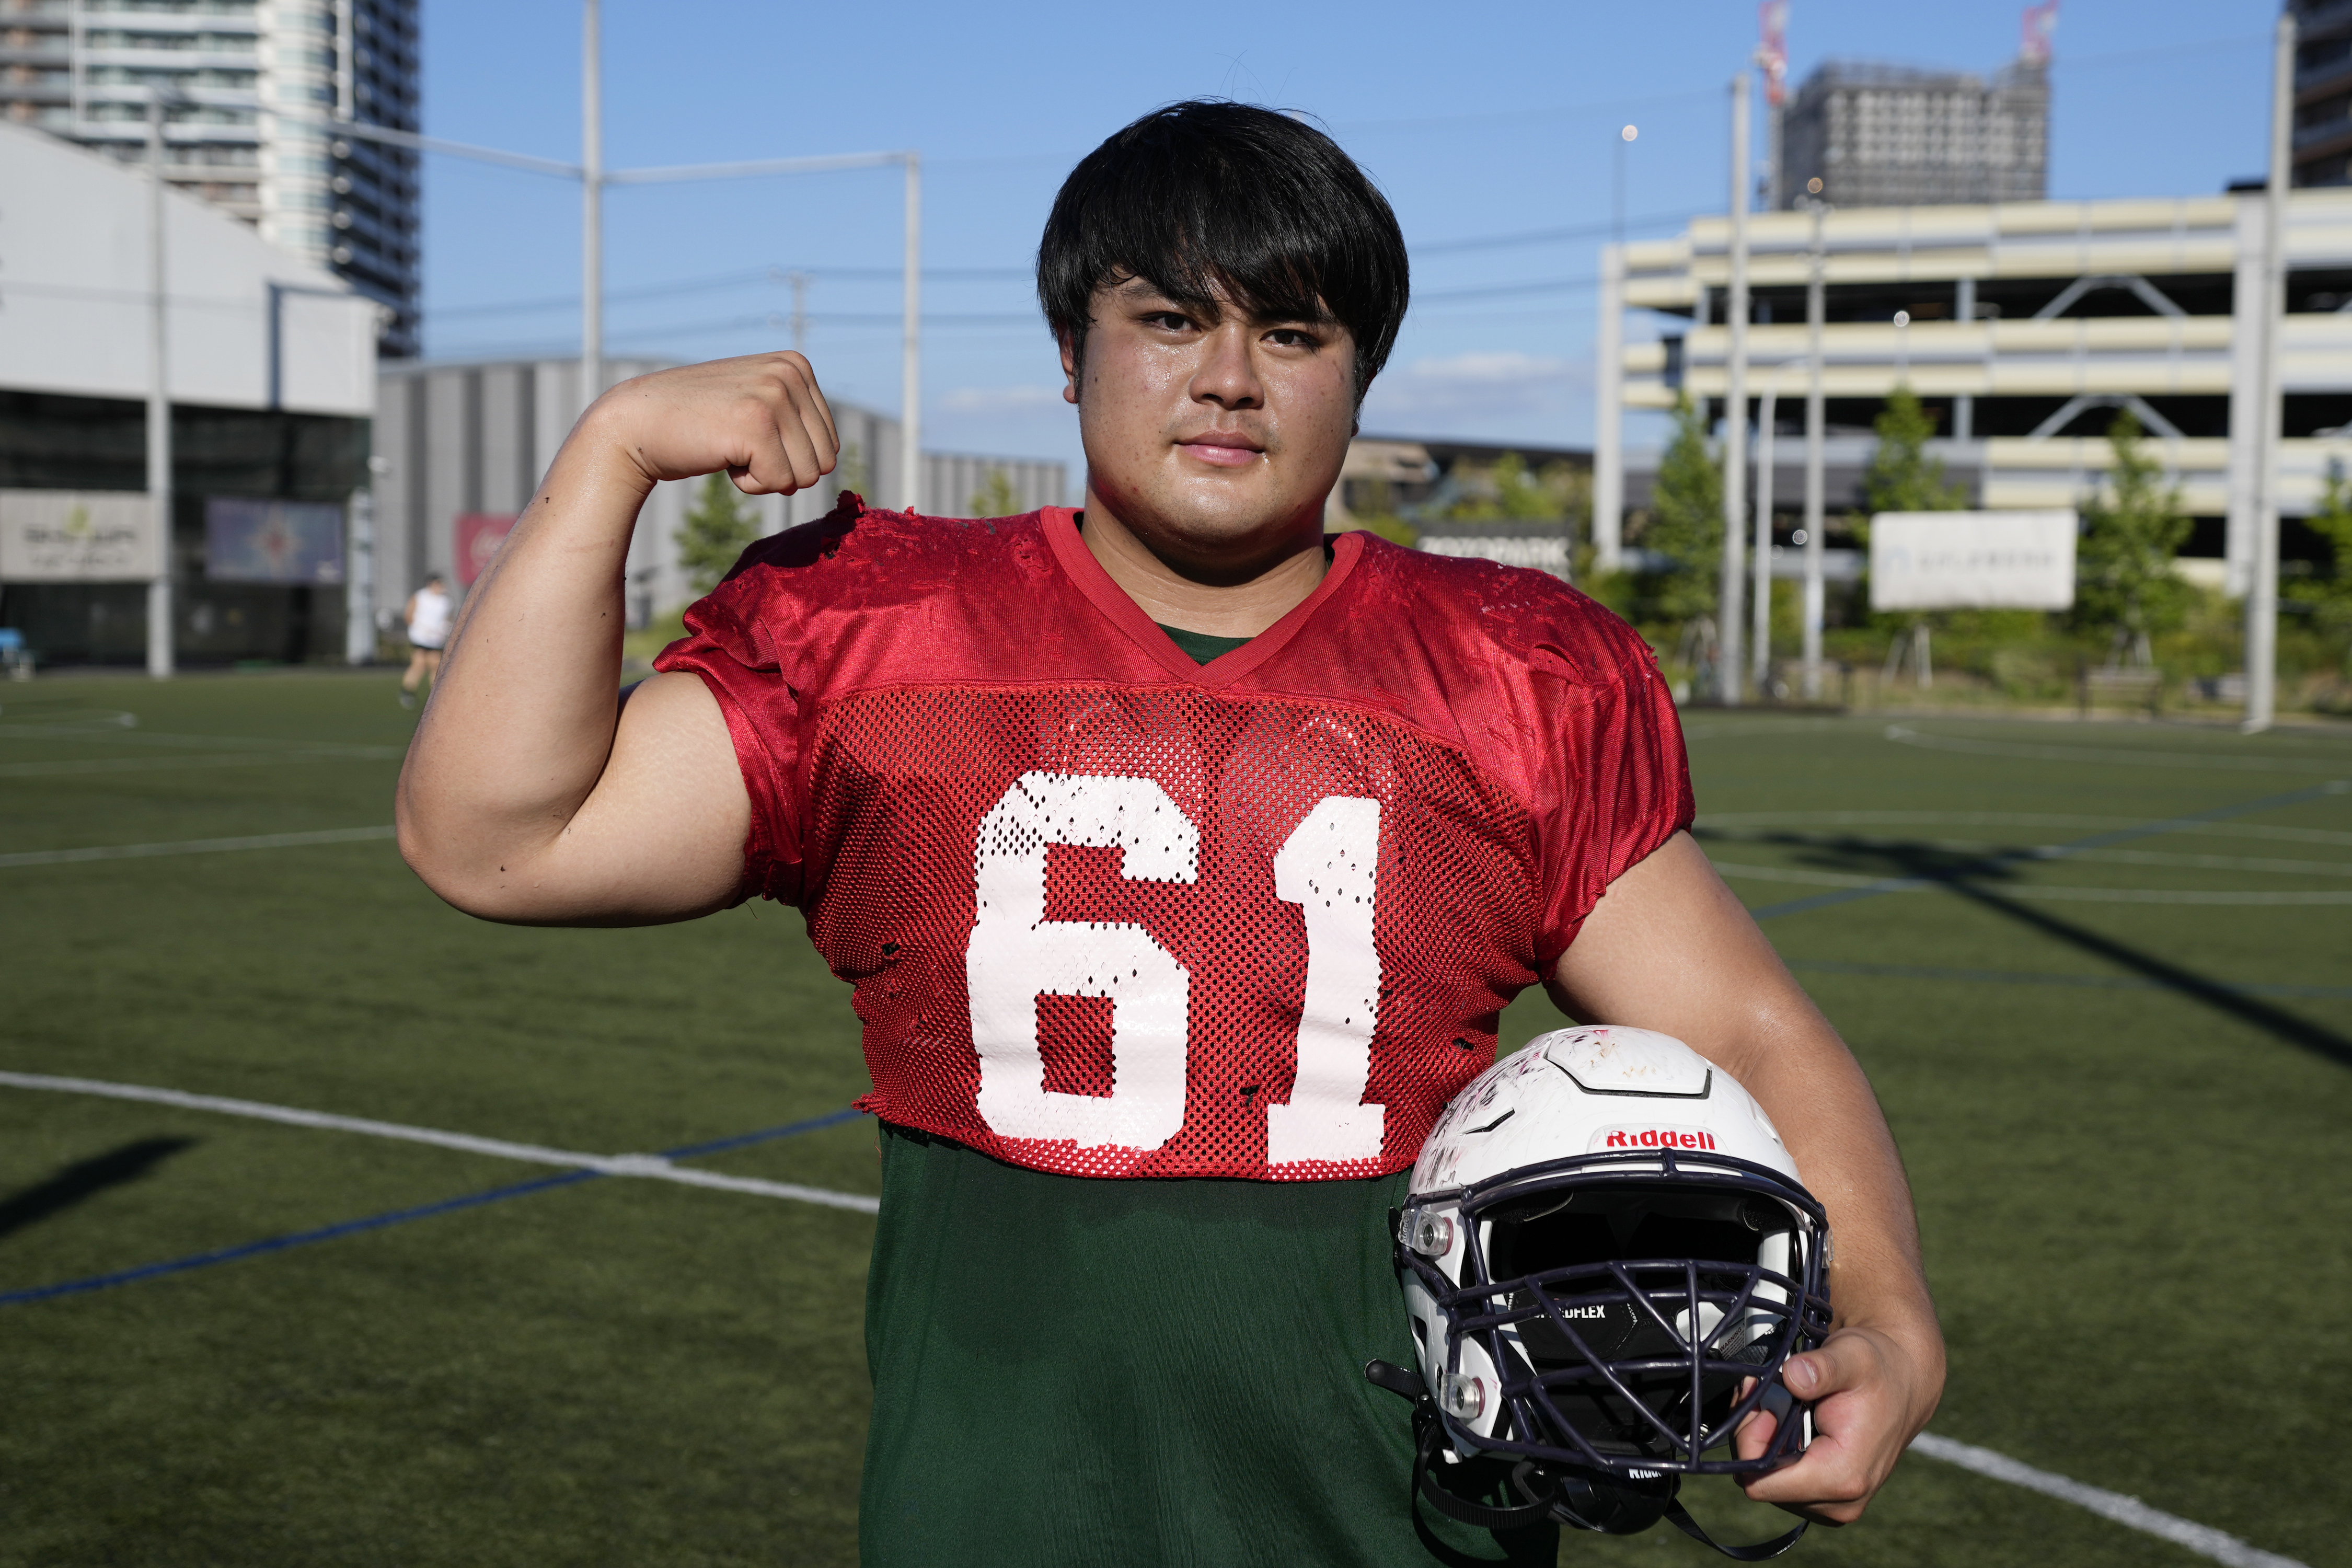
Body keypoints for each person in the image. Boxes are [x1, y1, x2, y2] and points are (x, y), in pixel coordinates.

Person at [397, 102, 1942, 1566]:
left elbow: (1746, 1022)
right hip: (992, 1517)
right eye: (1169, 318)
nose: (1229, 377)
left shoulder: (1507, 675)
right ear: (1071, 354)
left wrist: (1887, 1312)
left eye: (1291, 331)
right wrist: (602, 460)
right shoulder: (880, 633)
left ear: (1357, 375)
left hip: (1397, 1523)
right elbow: (498, 840)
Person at [400, 572, 452, 709]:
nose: (442, 586)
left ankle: (435, 696)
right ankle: (407, 693)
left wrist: (444, 629)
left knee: (435, 665)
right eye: (439, 583)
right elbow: (409, 615)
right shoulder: (420, 596)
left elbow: (447, 619)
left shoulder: (445, 601)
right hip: (420, 637)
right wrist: (421, 629)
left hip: (435, 639)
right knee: (419, 664)